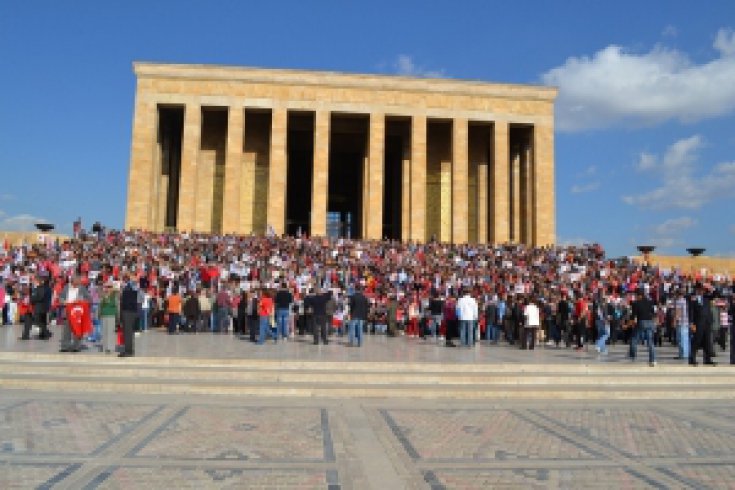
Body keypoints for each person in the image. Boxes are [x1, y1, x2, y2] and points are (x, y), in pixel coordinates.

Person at [59, 275, 92, 353]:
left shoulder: (82, 288)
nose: (77, 285)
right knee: (66, 330)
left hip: (77, 312)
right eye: (76, 283)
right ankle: (65, 346)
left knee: (77, 330)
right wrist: (64, 302)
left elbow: (89, 299)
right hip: (67, 311)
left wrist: (81, 300)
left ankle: (76, 346)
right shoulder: (66, 288)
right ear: (72, 282)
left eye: (78, 283)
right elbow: (60, 297)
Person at [689, 284, 717, 366]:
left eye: (702, 290)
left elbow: (716, 294)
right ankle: (692, 358)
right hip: (698, 323)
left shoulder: (707, 297)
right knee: (696, 341)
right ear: (697, 290)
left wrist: (711, 287)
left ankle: (707, 359)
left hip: (707, 323)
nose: (701, 291)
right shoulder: (693, 299)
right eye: (700, 290)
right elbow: (691, 312)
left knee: (707, 341)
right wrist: (692, 323)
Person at [630, 287, 656, 367]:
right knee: (650, 342)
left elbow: (633, 316)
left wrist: (630, 323)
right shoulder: (650, 302)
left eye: (636, 295)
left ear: (639, 295)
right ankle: (652, 360)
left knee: (634, 339)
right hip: (650, 322)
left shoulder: (635, 303)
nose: (635, 296)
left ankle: (633, 355)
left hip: (641, 322)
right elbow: (653, 313)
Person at [119, 277, 138, 357]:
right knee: (128, 332)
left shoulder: (129, 290)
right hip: (130, 311)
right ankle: (129, 350)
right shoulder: (132, 290)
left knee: (128, 332)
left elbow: (125, 301)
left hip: (128, 312)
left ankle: (128, 351)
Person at [99, 281, 119, 354]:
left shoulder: (115, 295)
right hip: (104, 314)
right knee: (104, 331)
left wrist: (113, 290)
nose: (108, 288)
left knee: (111, 332)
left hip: (111, 314)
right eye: (106, 287)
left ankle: (110, 347)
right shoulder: (103, 295)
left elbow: (116, 304)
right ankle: (104, 347)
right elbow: (100, 305)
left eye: (109, 287)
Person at [673, 289, 690, 361]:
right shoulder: (685, 301)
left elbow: (678, 312)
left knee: (680, 339)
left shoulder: (678, 301)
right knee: (685, 339)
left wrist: (674, 321)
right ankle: (686, 354)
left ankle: (682, 354)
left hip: (680, 322)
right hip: (686, 322)